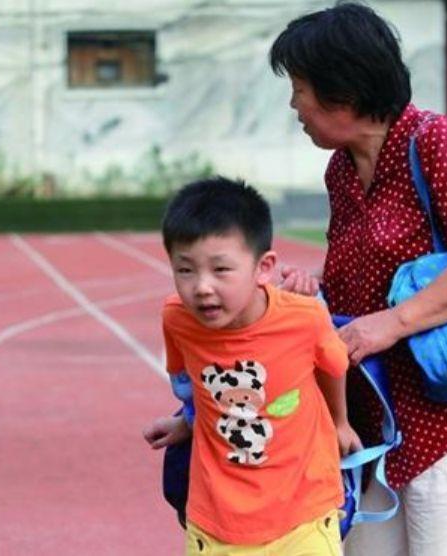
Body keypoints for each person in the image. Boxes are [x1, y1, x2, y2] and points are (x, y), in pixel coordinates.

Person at [269, 3, 447, 555]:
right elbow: (359, 274)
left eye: (300, 87)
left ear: (343, 90)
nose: (294, 104)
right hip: (375, 419)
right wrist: (307, 288)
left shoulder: (434, 143)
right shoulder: (342, 168)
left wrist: (392, 323)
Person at [142, 176, 360, 555]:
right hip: (217, 523)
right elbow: (195, 383)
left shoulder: (304, 318)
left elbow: (334, 365)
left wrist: (340, 422)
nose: (202, 287)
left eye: (221, 270)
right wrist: (187, 420)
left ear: (264, 267)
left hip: (303, 516)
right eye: (185, 270)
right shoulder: (176, 318)